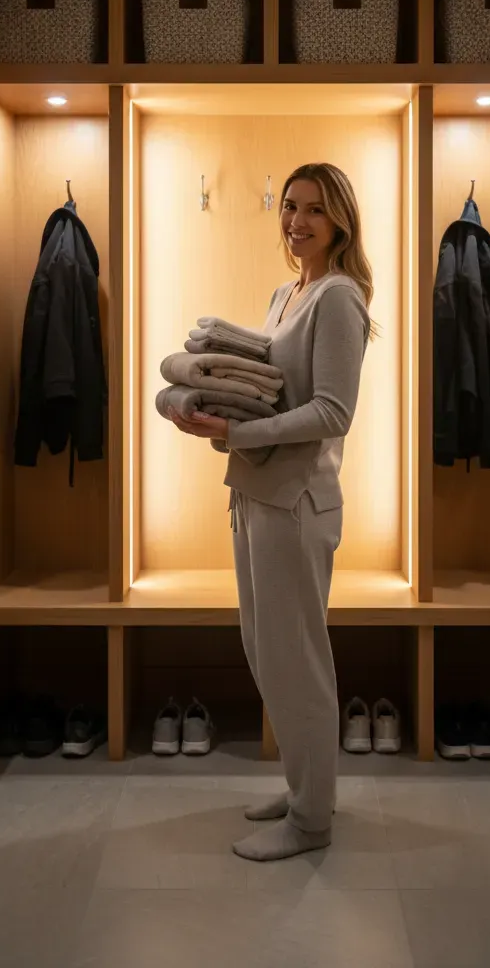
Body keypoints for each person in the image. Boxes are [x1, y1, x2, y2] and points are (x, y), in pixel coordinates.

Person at [168, 162, 375, 862]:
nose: (297, 221)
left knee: (298, 662)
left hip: (298, 505)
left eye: (314, 209)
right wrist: (221, 414)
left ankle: (313, 820)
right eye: (289, 207)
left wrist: (238, 432)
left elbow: (332, 412)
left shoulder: (339, 297)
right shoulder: (288, 292)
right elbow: (273, 390)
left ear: (340, 219)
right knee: (267, 654)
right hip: (256, 494)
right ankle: (301, 788)